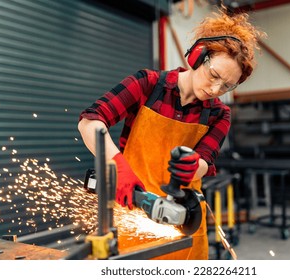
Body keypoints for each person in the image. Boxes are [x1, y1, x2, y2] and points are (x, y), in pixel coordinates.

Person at [78, 5, 263, 260]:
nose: (215, 89)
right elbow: (90, 122)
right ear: (199, 57)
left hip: (183, 217)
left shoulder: (219, 114)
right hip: (132, 206)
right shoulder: (147, 84)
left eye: (226, 86)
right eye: (214, 75)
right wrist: (117, 166)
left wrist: (192, 166)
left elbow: (204, 160)